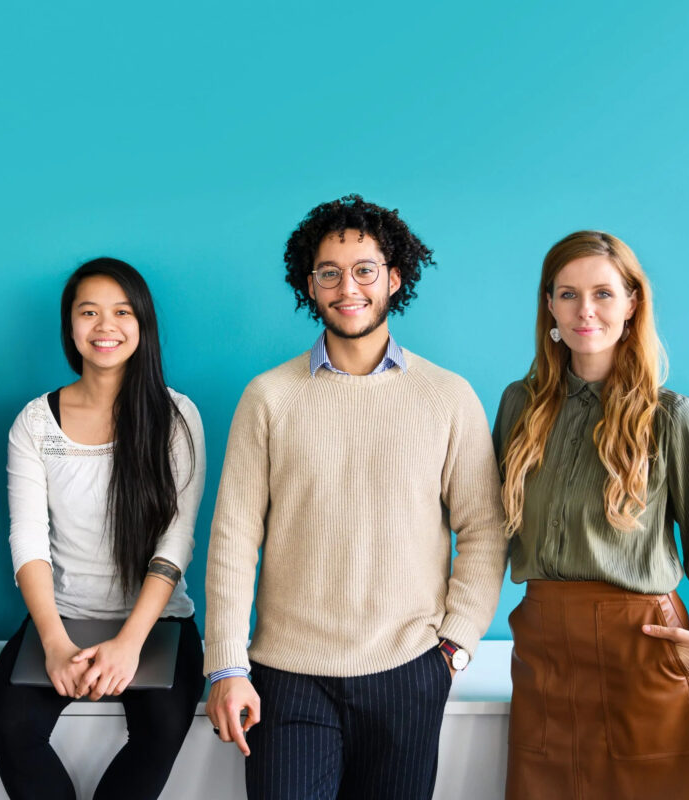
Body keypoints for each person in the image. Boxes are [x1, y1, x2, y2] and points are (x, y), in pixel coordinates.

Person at [203, 195, 508, 799]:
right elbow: (234, 538)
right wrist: (227, 666)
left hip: (410, 669)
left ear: (394, 279)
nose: (350, 287)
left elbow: (483, 528)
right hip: (287, 677)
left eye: (365, 270)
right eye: (330, 273)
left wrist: (457, 647)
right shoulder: (268, 398)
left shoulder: (447, 397)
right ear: (309, 286)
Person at [493, 230, 689, 799]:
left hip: (643, 648)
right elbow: (486, 531)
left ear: (632, 304)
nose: (585, 310)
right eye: (568, 294)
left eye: (604, 293)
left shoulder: (673, 418)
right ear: (550, 306)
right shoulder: (519, 405)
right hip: (544, 651)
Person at [0, 258, 207, 800]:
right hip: (61, 618)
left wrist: (129, 644)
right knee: (13, 731)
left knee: (159, 733)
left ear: (143, 324)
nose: (104, 326)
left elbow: (176, 541)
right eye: (89, 312)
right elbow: (28, 539)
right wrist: (55, 643)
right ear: (70, 325)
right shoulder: (35, 421)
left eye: (121, 312)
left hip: (158, 625)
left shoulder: (177, 417)